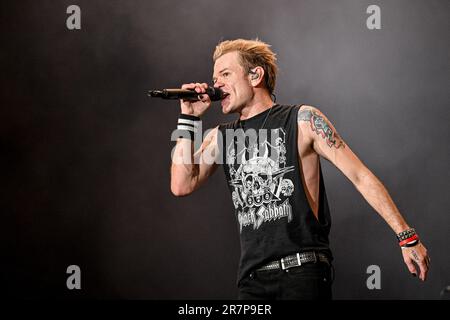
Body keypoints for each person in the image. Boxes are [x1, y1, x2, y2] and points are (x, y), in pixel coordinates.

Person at [170, 39, 430, 300]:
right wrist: (189, 118)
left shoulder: (303, 120)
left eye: (225, 74)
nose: (217, 85)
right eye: (215, 78)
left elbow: (360, 175)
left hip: (301, 272)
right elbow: (182, 185)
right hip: (252, 281)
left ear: (255, 75)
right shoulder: (221, 137)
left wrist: (406, 236)